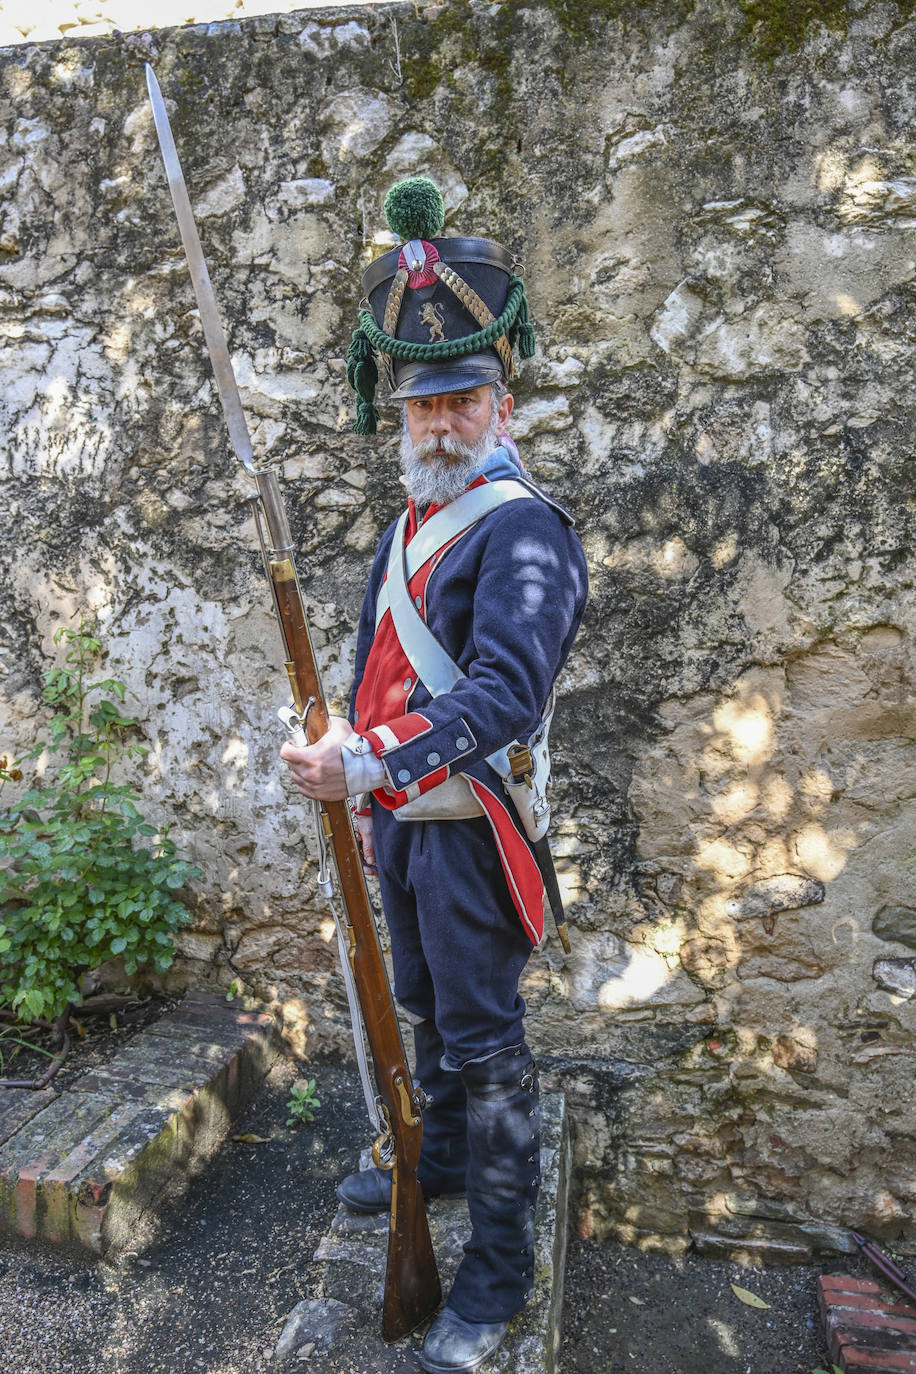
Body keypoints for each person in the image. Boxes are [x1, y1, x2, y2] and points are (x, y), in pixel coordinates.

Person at [280, 178, 588, 1374]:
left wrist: (368, 763)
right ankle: (443, 1161)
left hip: (469, 827)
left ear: (499, 404)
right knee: (417, 1000)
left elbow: (505, 695)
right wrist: (345, 766)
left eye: (461, 398)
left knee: (483, 1038)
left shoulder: (525, 532)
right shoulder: (407, 525)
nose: (441, 422)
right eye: (424, 405)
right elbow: (376, 671)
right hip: (403, 825)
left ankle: (497, 1276)